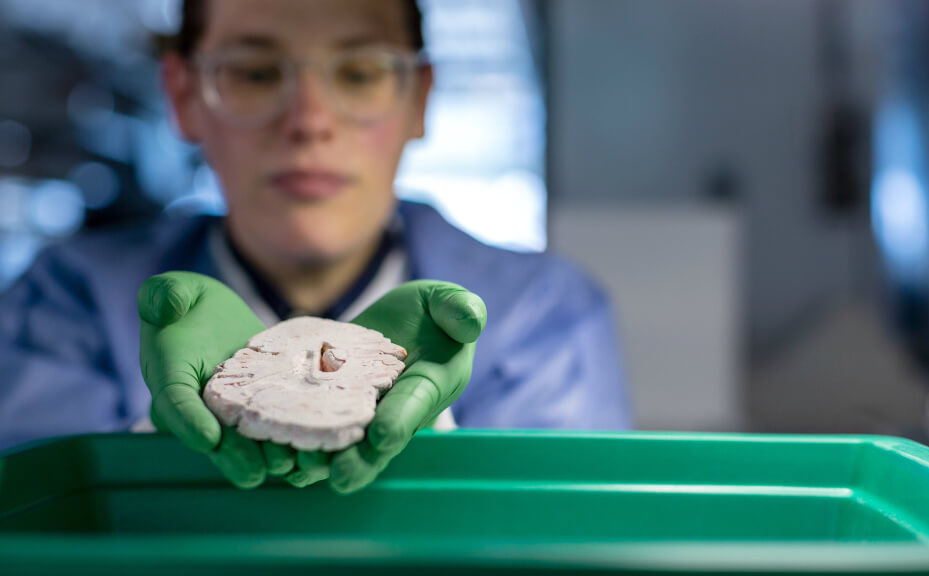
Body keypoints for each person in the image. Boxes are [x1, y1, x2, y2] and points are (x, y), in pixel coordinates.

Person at [0, 0, 630, 490]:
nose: (309, 120)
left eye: (359, 73)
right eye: (253, 72)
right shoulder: (64, 301)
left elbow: (549, 535)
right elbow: (36, 525)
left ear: (419, 99)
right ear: (184, 97)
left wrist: (431, 434)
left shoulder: (544, 316)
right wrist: (151, 447)